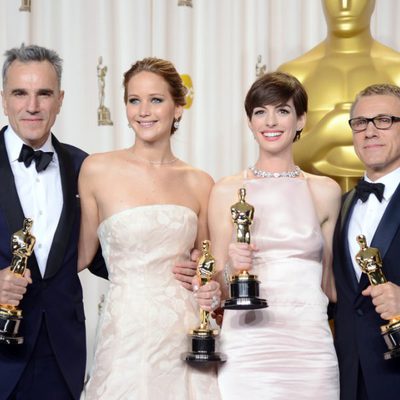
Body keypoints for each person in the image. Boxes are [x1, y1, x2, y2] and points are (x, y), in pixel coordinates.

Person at [78, 57, 221, 399]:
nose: (144, 111)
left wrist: (210, 286)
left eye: (156, 100)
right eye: (134, 100)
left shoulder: (200, 182)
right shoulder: (96, 169)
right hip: (125, 328)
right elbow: (79, 256)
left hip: (183, 327)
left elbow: (208, 265)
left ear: (178, 107)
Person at [209, 71, 341, 399]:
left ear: (300, 121)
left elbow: (331, 285)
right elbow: (219, 284)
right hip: (247, 347)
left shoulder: (325, 191)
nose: (271, 121)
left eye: (282, 110)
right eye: (260, 112)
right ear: (250, 122)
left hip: (310, 345)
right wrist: (229, 268)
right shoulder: (226, 190)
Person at [0, 44, 106, 400]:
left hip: (62, 356)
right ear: (3, 98)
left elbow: (109, 253)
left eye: (43, 93)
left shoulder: (84, 167)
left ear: (60, 100)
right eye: (20, 93)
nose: (32, 106)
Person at [278, 0, 400, 190]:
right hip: (310, 203)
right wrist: (326, 135)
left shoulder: (397, 69)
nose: (345, 4)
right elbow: (276, 157)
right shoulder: (295, 74)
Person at [332, 83, 400, 400]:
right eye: (361, 122)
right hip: (350, 379)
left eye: (384, 120)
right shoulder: (341, 204)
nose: (370, 131)